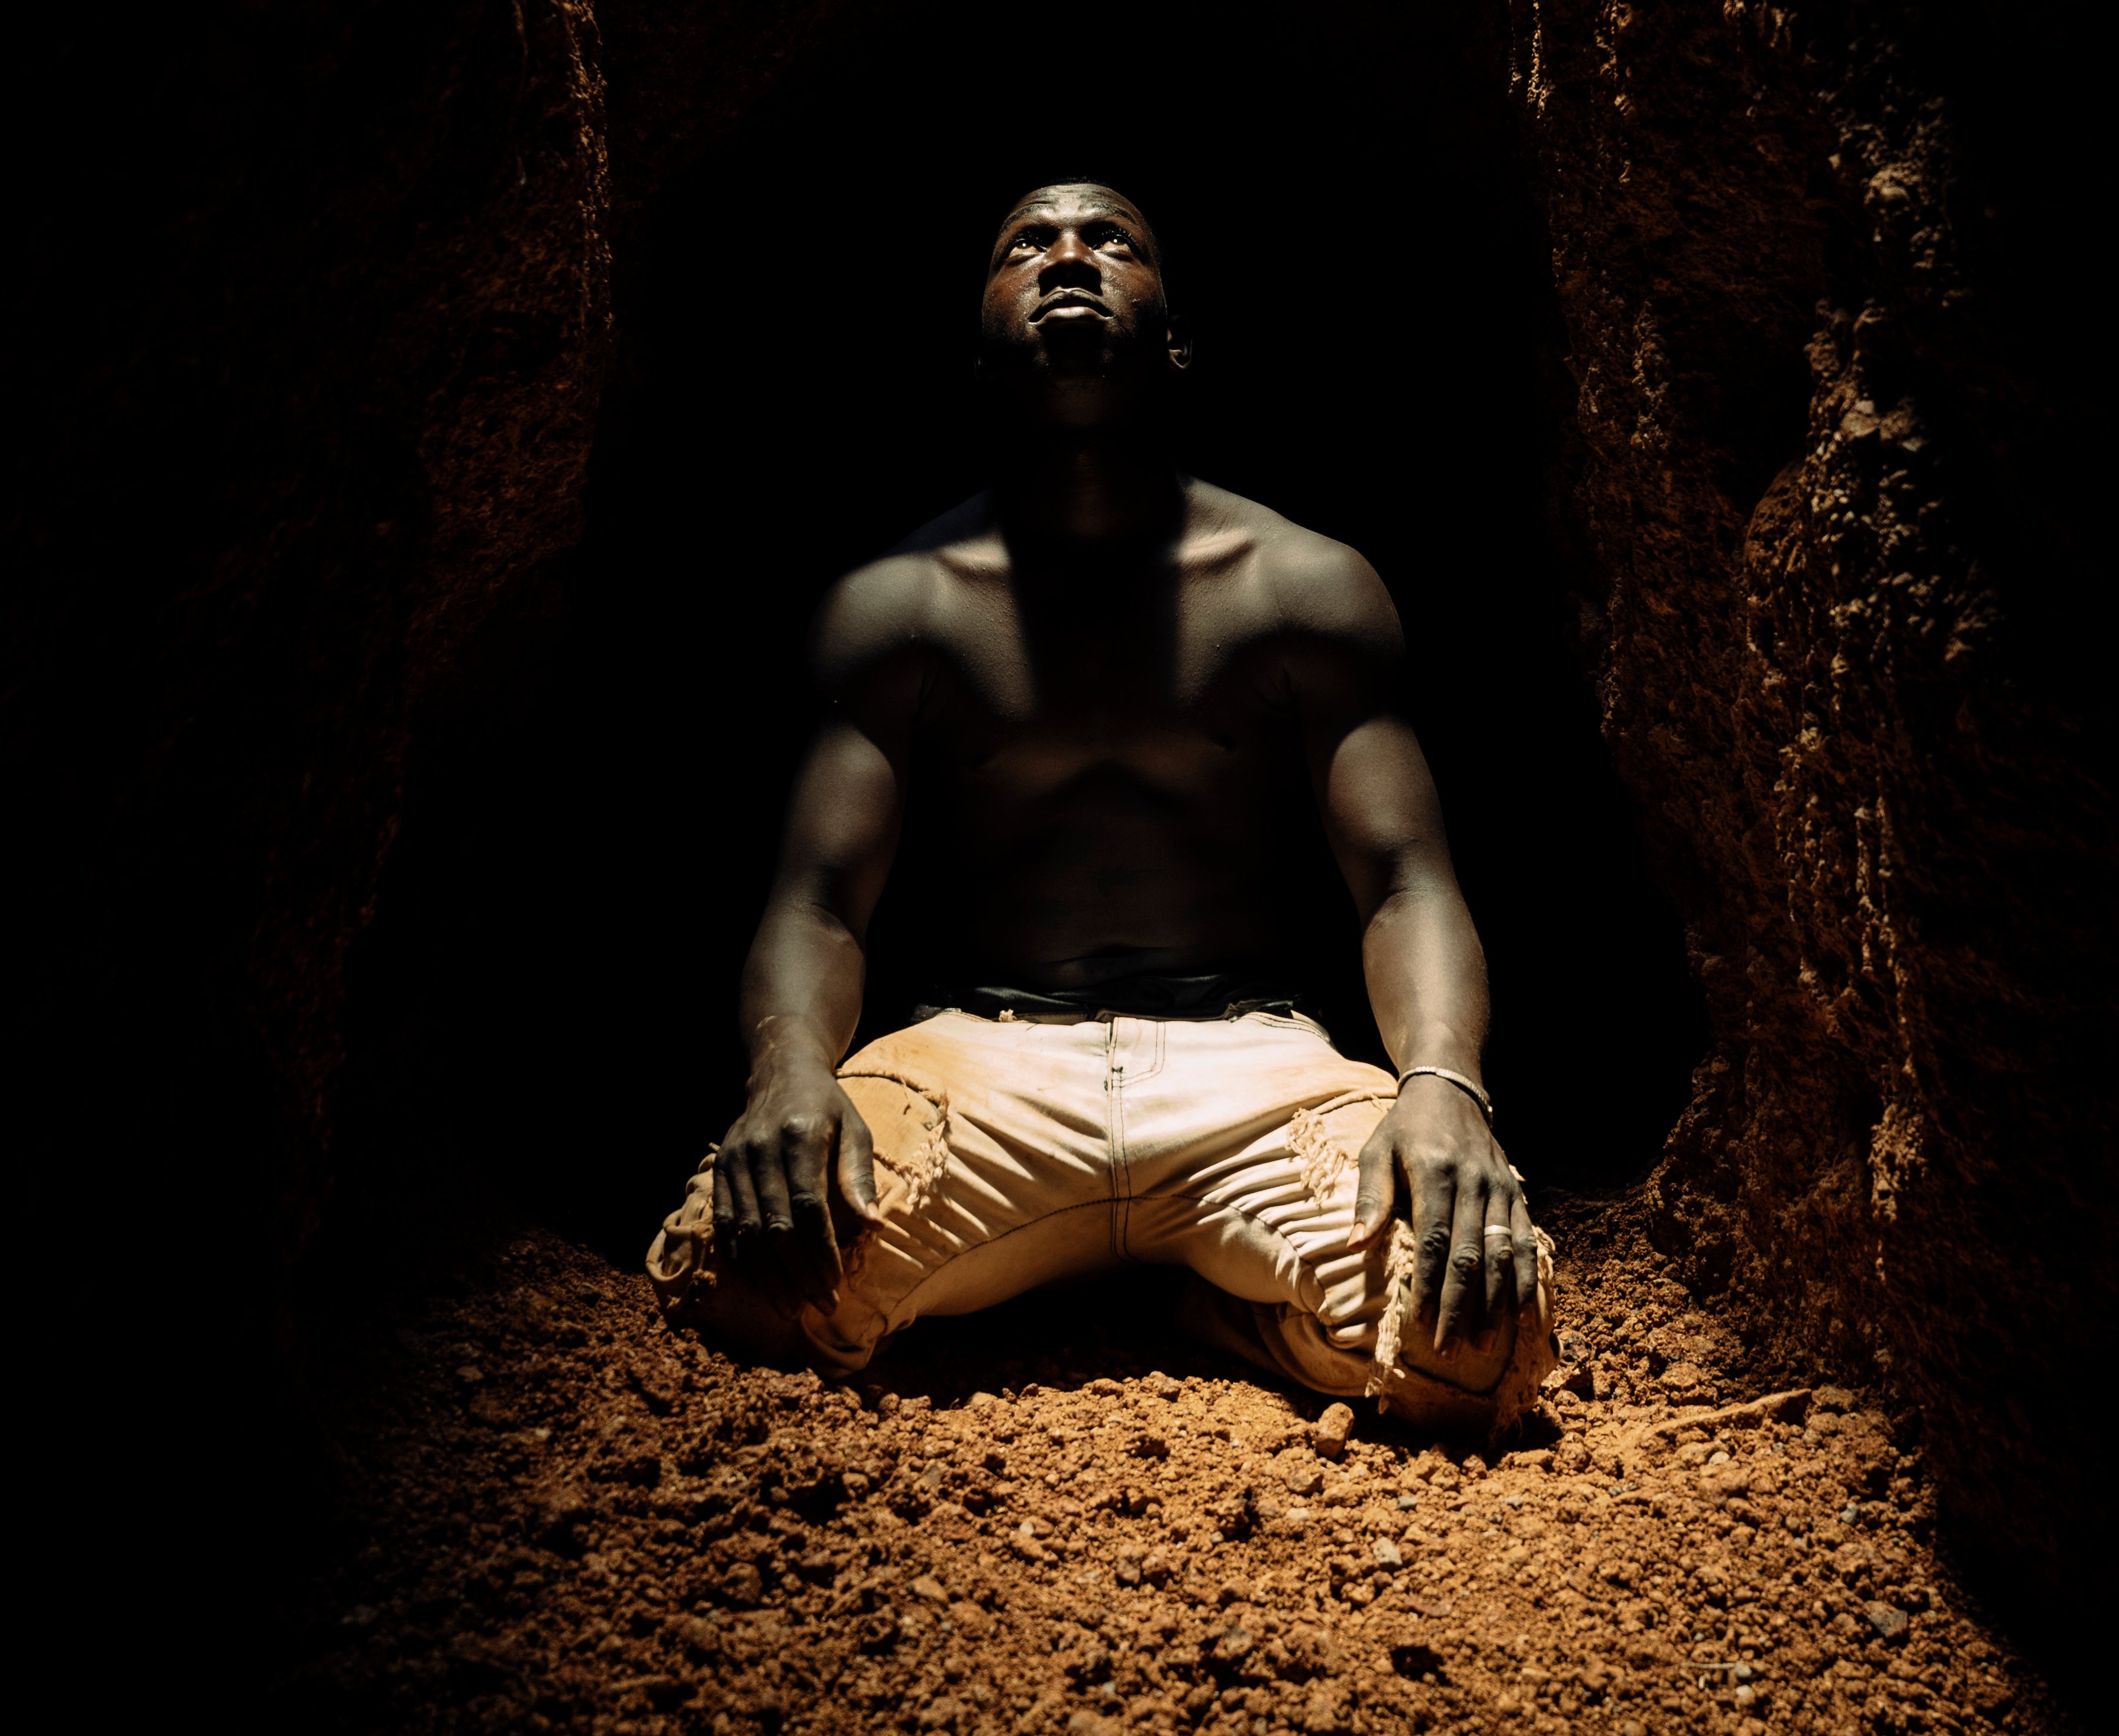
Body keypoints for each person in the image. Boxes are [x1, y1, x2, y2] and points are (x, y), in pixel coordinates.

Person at [646, 182, 1552, 1436]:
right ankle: (1106, 1255)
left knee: (1478, 1326)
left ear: (1174, 335)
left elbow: (1408, 880)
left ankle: (1206, 1301)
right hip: (986, 1053)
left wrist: (1442, 1082)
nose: (1069, 256)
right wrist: (791, 1070)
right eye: (1028, 243)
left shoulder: (1303, 582)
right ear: (981, 344)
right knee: (734, 1270)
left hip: (1253, 1066)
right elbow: (820, 898)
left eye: (1111, 240)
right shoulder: (899, 605)